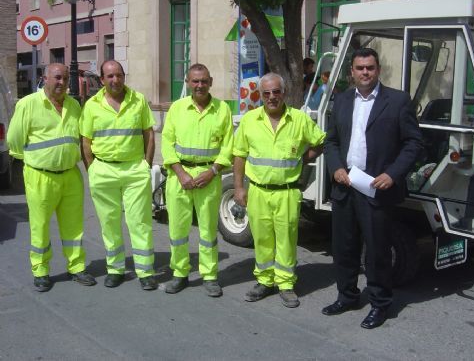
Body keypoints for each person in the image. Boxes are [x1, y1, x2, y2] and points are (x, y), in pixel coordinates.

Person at [322, 48, 422, 329]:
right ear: (351, 72)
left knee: (377, 251)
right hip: (345, 185)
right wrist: (336, 167)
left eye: (370, 67)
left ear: (378, 70)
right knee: (344, 247)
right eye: (359, 68)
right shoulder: (341, 100)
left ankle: (380, 303)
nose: (365, 72)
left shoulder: (398, 101)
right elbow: (330, 142)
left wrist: (393, 174)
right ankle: (347, 296)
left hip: (376, 188)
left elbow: (414, 143)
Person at [233, 73, 325, 308]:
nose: (272, 97)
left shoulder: (299, 119)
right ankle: (264, 281)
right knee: (262, 239)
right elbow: (239, 155)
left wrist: (302, 160)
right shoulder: (249, 120)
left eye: (276, 92)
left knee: (286, 239)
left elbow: (320, 142)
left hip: (287, 192)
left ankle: (285, 284)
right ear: (261, 95)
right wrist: (238, 187)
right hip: (258, 191)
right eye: (267, 93)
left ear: (283, 93)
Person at [7, 63, 96, 292]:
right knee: (41, 226)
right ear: (44, 78)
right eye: (57, 78)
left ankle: (76, 267)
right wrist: (33, 162)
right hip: (40, 176)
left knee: (74, 226)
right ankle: (41, 271)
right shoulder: (28, 104)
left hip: (70, 175)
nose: (61, 83)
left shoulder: (74, 105)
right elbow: (15, 140)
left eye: (65, 79)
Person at [80, 60, 157, 291]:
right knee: (109, 222)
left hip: (134, 169)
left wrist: (146, 165)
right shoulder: (92, 105)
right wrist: (92, 169)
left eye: (119, 75)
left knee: (139, 222)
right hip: (103, 170)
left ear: (124, 76)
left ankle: (145, 271)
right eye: (110, 76)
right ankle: (115, 269)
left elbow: (149, 135)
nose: (115, 80)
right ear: (102, 80)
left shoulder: (138, 100)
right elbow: (86, 142)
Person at [161, 63, 233, 297]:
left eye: (204, 81)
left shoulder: (222, 110)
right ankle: (179, 273)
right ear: (187, 82)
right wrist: (181, 173)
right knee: (178, 230)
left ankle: (210, 275)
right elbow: (167, 143)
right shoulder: (177, 109)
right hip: (179, 178)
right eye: (195, 81)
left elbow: (228, 146)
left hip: (208, 178)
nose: (199, 85)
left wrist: (212, 171)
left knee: (208, 231)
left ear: (210, 82)